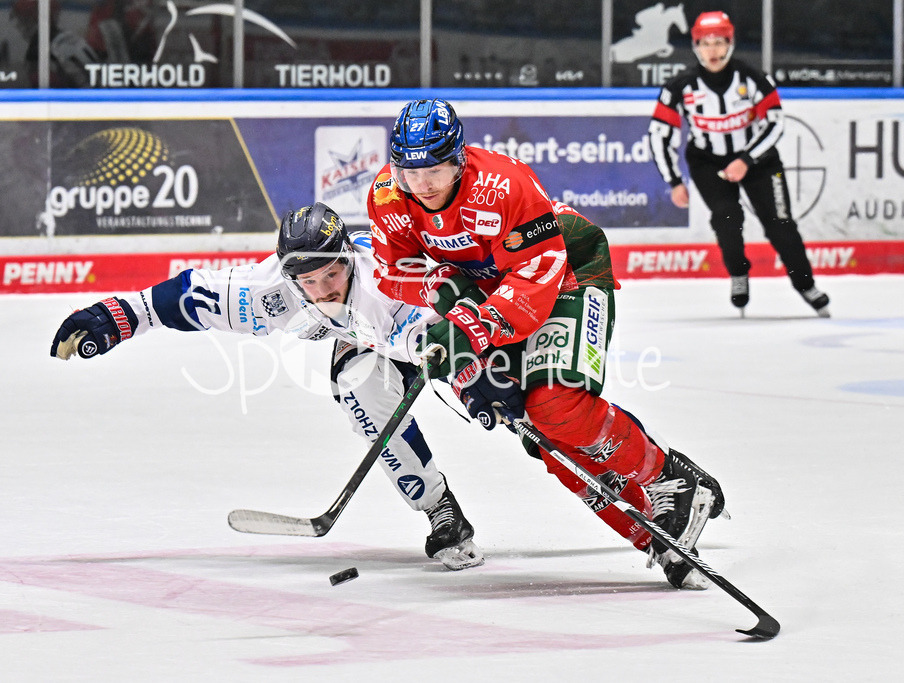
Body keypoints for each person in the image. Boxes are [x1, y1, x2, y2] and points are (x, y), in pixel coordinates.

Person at [367, 98, 727, 589]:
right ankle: (652, 534)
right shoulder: (388, 198)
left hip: (569, 274)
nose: (422, 183)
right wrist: (449, 302)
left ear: (460, 158)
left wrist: (473, 325)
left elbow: (538, 275)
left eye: (435, 168)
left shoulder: (503, 186)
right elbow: (396, 273)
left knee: (556, 405)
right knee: (537, 431)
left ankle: (670, 479)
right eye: (410, 171)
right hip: (490, 294)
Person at [49, 203, 484, 571]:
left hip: (447, 325)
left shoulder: (388, 281)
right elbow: (194, 295)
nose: (322, 292)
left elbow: (455, 328)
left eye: (331, 276)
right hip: (373, 346)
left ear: (348, 258)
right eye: (308, 282)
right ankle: (439, 508)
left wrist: (470, 378)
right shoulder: (276, 290)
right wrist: (119, 317)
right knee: (360, 390)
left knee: (511, 400)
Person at [648, 11, 830, 317]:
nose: (713, 51)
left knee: (781, 224)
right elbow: (658, 135)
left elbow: (775, 123)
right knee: (726, 217)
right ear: (695, 46)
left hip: (759, 161)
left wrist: (746, 159)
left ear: (730, 44)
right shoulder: (679, 86)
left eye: (719, 42)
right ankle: (738, 274)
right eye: (705, 44)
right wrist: (674, 181)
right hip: (708, 163)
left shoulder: (754, 79)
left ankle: (806, 285)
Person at [11, 0, 98, 87]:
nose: (19, 26)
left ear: (34, 20)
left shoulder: (41, 49)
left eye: (23, 20)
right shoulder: (70, 39)